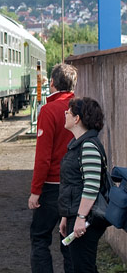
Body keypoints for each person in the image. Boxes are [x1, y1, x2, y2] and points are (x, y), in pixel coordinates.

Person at [29, 63, 78, 273]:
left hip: (51, 186)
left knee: (40, 238)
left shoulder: (48, 111)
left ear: (52, 83)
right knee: (69, 242)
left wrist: (35, 191)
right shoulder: (80, 108)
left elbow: (43, 157)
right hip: (75, 186)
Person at [58, 97, 109, 273]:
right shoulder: (78, 145)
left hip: (86, 218)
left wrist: (80, 218)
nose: (65, 113)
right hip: (76, 214)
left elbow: (91, 186)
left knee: (83, 267)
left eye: (69, 111)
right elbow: (72, 183)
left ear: (77, 119)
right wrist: (66, 217)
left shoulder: (88, 146)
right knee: (78, 265)